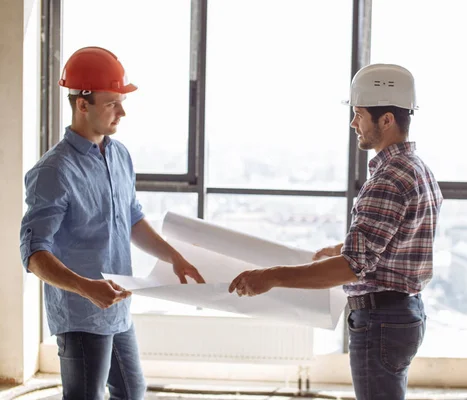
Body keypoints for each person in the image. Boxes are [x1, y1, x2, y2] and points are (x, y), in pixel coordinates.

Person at [228, 63, 443, 400]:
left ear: (386, 119)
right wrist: (343, 247)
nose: (354, 123)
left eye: (359, 114)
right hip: (404, 313)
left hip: (382, 318)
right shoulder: (417, 169)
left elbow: (350, 267)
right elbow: (397, 237)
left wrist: (269, 277)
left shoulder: (388, 179)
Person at [19, 46, 205, 400]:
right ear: (82, 104)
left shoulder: (118, 155)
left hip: (118, 305)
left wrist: (173, 257)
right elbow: (33, 255)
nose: (122, 112)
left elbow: (132, 219)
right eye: (112, 103)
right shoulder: (53, 171)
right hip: (80, 313)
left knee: (132, 392)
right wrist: (87, 287)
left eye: (122, 102)